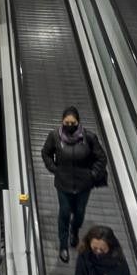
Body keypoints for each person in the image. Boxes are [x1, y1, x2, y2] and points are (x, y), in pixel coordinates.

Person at [41, 106, 108, 262]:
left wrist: (92, 175)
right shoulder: (54, 137)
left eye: (73, 123)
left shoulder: (89, 137)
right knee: (64, 213)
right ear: (62, 121)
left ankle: (75, 231)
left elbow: (101, 158)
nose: (69, 125)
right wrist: (54, 169)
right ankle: (63, 245)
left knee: (79, 213)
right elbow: (46, 153)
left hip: (83, 185)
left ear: (78, 122)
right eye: (67, 122)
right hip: (63, 184)